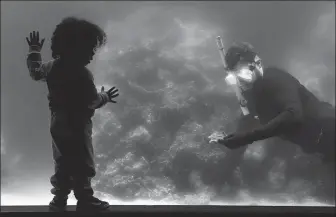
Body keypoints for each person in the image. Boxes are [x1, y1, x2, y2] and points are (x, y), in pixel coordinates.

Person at [25, 17, 119, 212]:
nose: (92, 55)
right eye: (90, 49)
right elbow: (91, 100)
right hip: (77, 124)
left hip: (58, 123)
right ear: (76, 48)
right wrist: (105, 97)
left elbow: (35, 72)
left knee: (62, 160)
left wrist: (34, 50)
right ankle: (85, 198)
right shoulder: (83, 74)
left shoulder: (51, 67)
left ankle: (58, 200)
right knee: (82, 160)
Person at [210, 42, 335, 165]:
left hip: (329, 130)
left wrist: (246, 138)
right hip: (318, 145)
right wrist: (230, 138)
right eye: (234, 76)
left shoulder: (276, 79)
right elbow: (251, 119)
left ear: (257, 63)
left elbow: (294, 115)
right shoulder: (252, 92)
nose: (241, 80)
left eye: (243, 72)